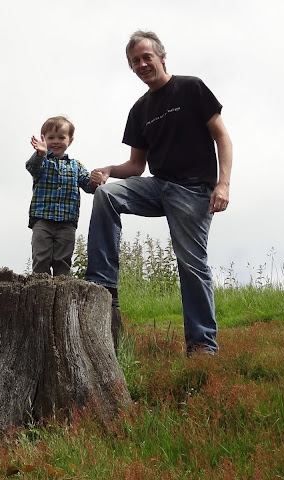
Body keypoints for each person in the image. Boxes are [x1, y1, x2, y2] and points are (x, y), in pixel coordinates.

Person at [86, 31, 233, 355]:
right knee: (107, 196)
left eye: (146, 57)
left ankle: (202, 346)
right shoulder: (139, 110)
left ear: (162, 58)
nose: (141, 64)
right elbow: (136, 166)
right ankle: (103, 285)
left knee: (191, 264)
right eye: (135, 61)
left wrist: (223, 184)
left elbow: (222, 136)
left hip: (193, 191)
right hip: (157, 186)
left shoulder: (191, 88)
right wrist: (109, 170)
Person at [26, 115, 95, 276]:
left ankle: (62, 286)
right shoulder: (43, 161)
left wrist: (95, 180)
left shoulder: (76, 166)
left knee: (63, 259)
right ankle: (40, 285)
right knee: (41, 256)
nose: (56, 141)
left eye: (61, 137)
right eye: (51, 138)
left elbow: (88, 185)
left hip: (67, 222)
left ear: (70, 140)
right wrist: (40, 153)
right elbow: (32, 167)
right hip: (42, 219)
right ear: (43, 139)